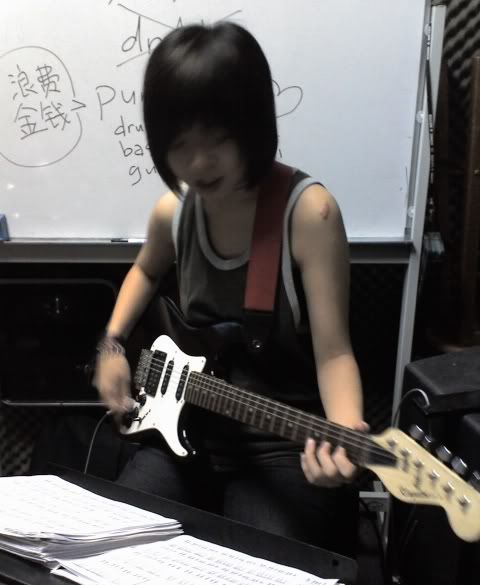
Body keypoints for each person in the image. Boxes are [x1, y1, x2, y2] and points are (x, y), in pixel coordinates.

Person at [95, 21, 366, 554]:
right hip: (186, 426)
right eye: (179, 145)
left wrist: (344, 435)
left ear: (252, 126)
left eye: (217, 139)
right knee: (111, 555)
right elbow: (145, 271)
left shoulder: (308, 213)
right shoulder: (173, 212)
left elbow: (334, 352)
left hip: (279, 445)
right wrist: (112, 344)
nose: (198, 163)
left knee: (259, 577)